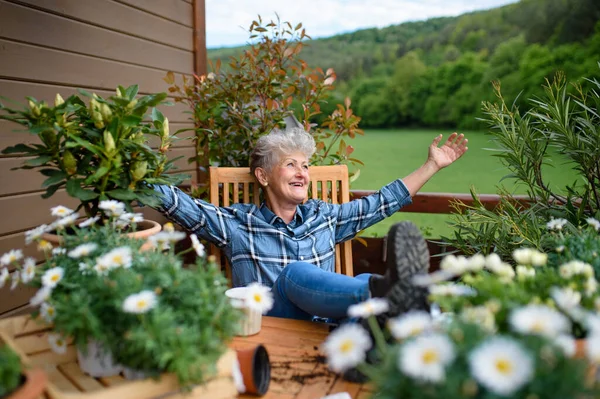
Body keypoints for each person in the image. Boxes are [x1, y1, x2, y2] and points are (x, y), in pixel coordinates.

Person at [152, 126, 468, 322]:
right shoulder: (236, 224)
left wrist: (431, 166)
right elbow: (182, 206)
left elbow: (381, 203)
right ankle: (395, 296)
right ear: (263, 177)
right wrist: (130, 173)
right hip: (276, 327)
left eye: (305, 165)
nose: (303, 172)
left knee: (368, 280)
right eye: (291, 165)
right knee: (295, 274)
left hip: (332, 328)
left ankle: (420, 301)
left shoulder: (324, 217)